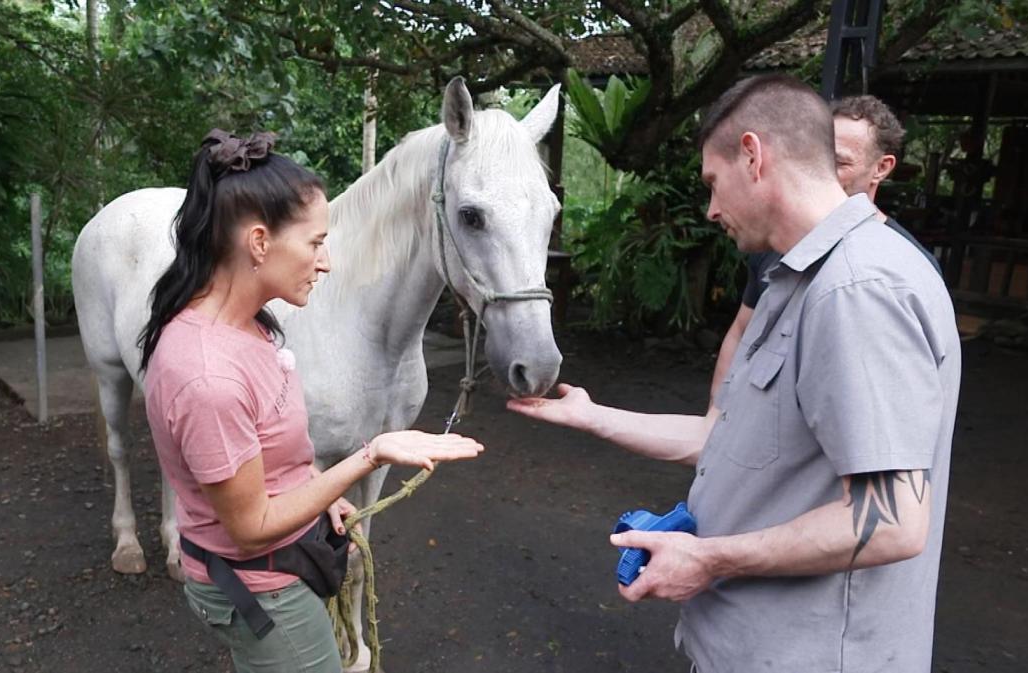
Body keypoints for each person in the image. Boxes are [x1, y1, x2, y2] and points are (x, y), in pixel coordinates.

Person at [509, 75, 960, 672]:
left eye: (712, 184)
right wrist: (592, 416)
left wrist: (709, 558)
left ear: (753, 156)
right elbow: (731, 442)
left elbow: (892, 521)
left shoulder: (858, 290)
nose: (711, 209)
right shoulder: (793, 279)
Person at [140, 129, 483, 673]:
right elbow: (250, 526)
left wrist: (314, 491)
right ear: (258, 243)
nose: (325, 263)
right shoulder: (207, 377)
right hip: (262, 590)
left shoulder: (246, 326)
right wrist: (369, 457)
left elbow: (264, 457)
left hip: (269, 577)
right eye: (316, 243)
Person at [709, 94, 941, 403]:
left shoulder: (895, 270)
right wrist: (715, 414)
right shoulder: (776, 240)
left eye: (840, 163)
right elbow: (741, 331)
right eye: (819, 159)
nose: (823, 173)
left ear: (881, 168)